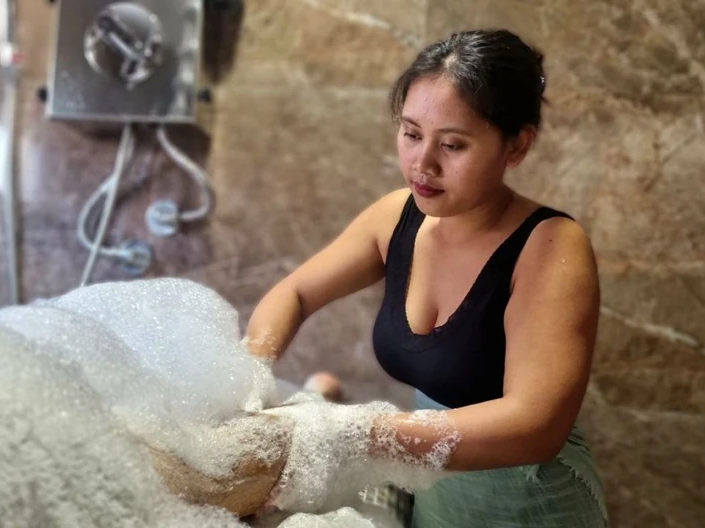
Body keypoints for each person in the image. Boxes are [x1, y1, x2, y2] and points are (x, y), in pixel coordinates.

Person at [244, 29, 608, 527]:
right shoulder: (397, 216)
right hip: (438, 497)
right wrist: (247, 378)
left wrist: (356, 434)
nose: (422, 164)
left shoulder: (550, 246)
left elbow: (535, 426)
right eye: (412, 134)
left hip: (533, 505)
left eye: (452, 145)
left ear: (517, 146)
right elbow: (297, 292)